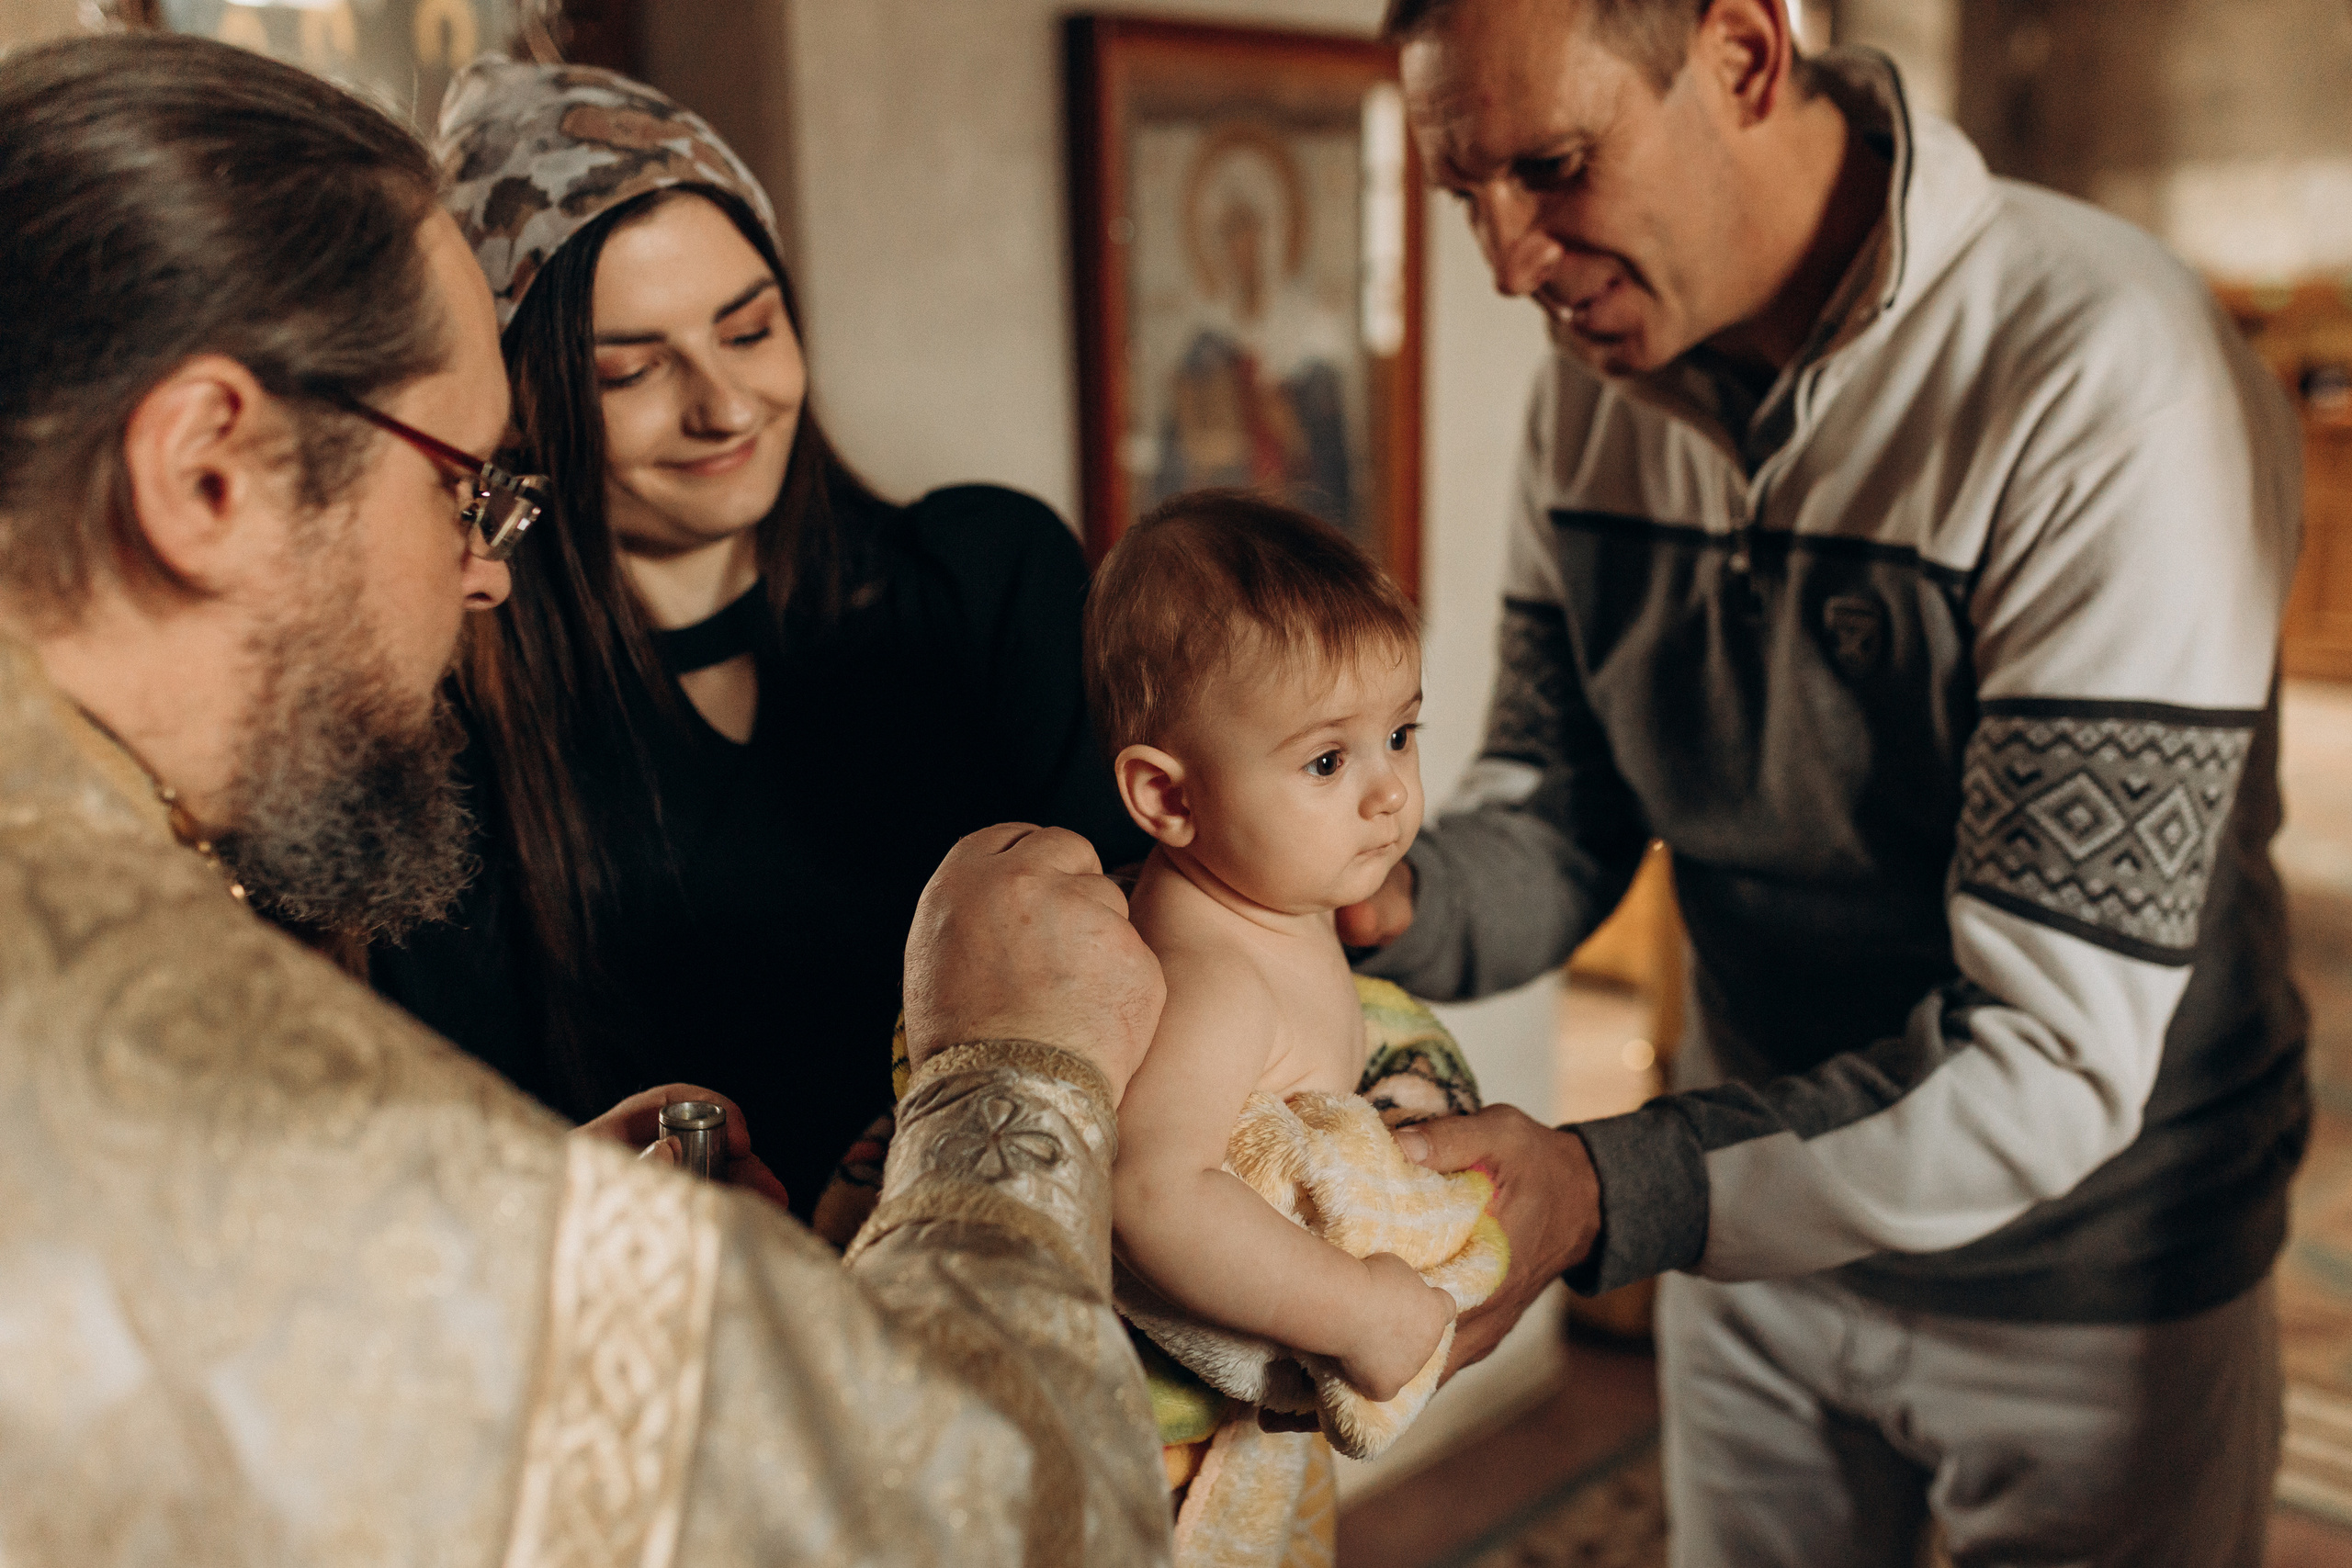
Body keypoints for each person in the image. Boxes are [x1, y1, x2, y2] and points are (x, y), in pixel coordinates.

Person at [0, 32, 1171, 1563]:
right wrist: (1007, 1078)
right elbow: (970, 1519)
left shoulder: (980, 576)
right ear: (209, 472)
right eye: (459, 481)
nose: (482, 566)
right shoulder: (236, 1099)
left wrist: (551, 1217)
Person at [1342, 1, 2306, 1563]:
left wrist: (1601, 1191)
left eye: (1555, 168)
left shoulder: (2105, 378)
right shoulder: (1587, 391)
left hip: (2095, 1285)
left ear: (1739, 56)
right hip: (1768, 1249)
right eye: (1465, 191)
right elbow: (1552, 807)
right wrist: (1370, 894)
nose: (1506, 261)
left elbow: (2048, 1058)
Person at [370, 60, 1148, 1226]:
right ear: (515, 399)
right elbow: (461, 1149)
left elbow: (1142, 953)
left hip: (1021, 1262)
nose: (725, 405)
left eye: (750, 329)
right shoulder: (451, 707)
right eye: (630, 370)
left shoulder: (987, 575)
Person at [1089, 493, 1455, 1407]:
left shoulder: (1270, 894)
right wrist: (1358, 1312)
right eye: (1327, 762)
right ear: (1169, 800)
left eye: (1400, 735)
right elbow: (1151, 1198)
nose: (1388, 795)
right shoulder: (1212, 981)